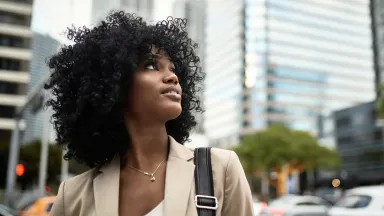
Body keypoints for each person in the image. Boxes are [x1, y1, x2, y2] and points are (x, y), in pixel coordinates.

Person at [47, 11, 253, 216]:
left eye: (173, 69)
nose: (172, 77)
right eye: (152, 65)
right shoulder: (72, 196)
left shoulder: (219, 170)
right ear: (115, 84)